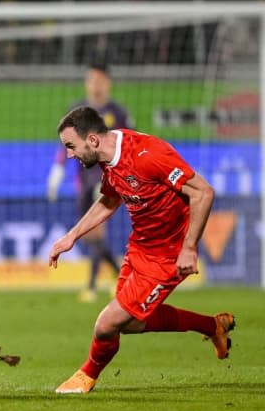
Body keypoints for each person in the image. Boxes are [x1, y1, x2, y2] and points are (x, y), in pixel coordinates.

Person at [48, 106, 235, 394]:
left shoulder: (148, 155)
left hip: (169, 254)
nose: (70, 154)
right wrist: (71, 236)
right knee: (131, 324)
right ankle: (213, 326)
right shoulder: (108, 157)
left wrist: (189, 248)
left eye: (71, 146)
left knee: (106, 323)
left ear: (93, 140)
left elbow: (203, 192)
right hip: (140, 247)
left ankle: (85, 377)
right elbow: (110, 200)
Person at [47, 64, 129, 302]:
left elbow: (128, 143)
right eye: (92, 80)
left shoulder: (117, 112)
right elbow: (66, 144)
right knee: (90, 234)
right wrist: (57, 169)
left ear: (108, 83)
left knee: (96, 228)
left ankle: (92, 285)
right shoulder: (76, 110)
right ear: (87, 83)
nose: (96, 84)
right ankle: (118, 274)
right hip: (82, 180)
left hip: (107, 178)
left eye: (101, 80)